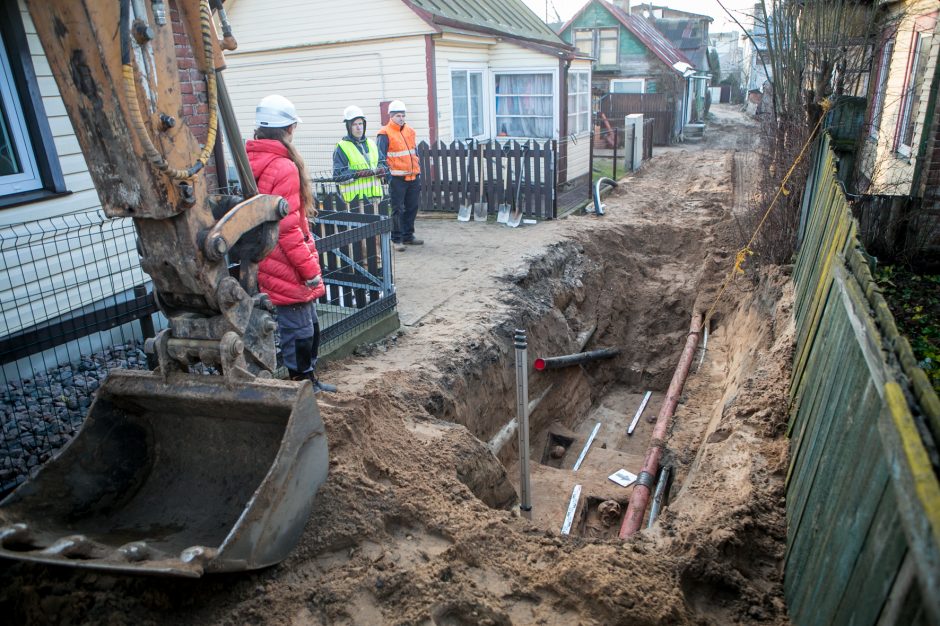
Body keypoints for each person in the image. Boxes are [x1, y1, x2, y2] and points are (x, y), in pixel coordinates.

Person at [246, 94, 336, 393]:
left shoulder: (251, 160)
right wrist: (310, 269)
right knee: (300, 328)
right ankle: (303, 387)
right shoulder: (284, 167)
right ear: (289, 129)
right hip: (285, 260)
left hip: (264, 255)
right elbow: (288, 228)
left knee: (305, 323)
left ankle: (307, 380)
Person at [377, 100, 422, 252]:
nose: (401, 118)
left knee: (412, 207)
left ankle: (408, 235)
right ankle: (397, 239)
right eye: (398, 115)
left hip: (413, 176)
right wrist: (386, 175)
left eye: (403, 115)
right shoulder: (384, 133)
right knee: (397, 209)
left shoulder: (410, 131)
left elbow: (413, 151)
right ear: (391, 116)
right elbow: (381, 156)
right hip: (396, 178)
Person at [332, 105, 385, 208]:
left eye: (360, 123)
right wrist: (357, 174)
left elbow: (383, 162)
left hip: (376, 199)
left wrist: (381, 169)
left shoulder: (372, 143)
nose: (358, 127)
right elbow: (338, 175)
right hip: (355, 202)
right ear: (348, 126)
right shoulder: (342, 147)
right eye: (354, 124)